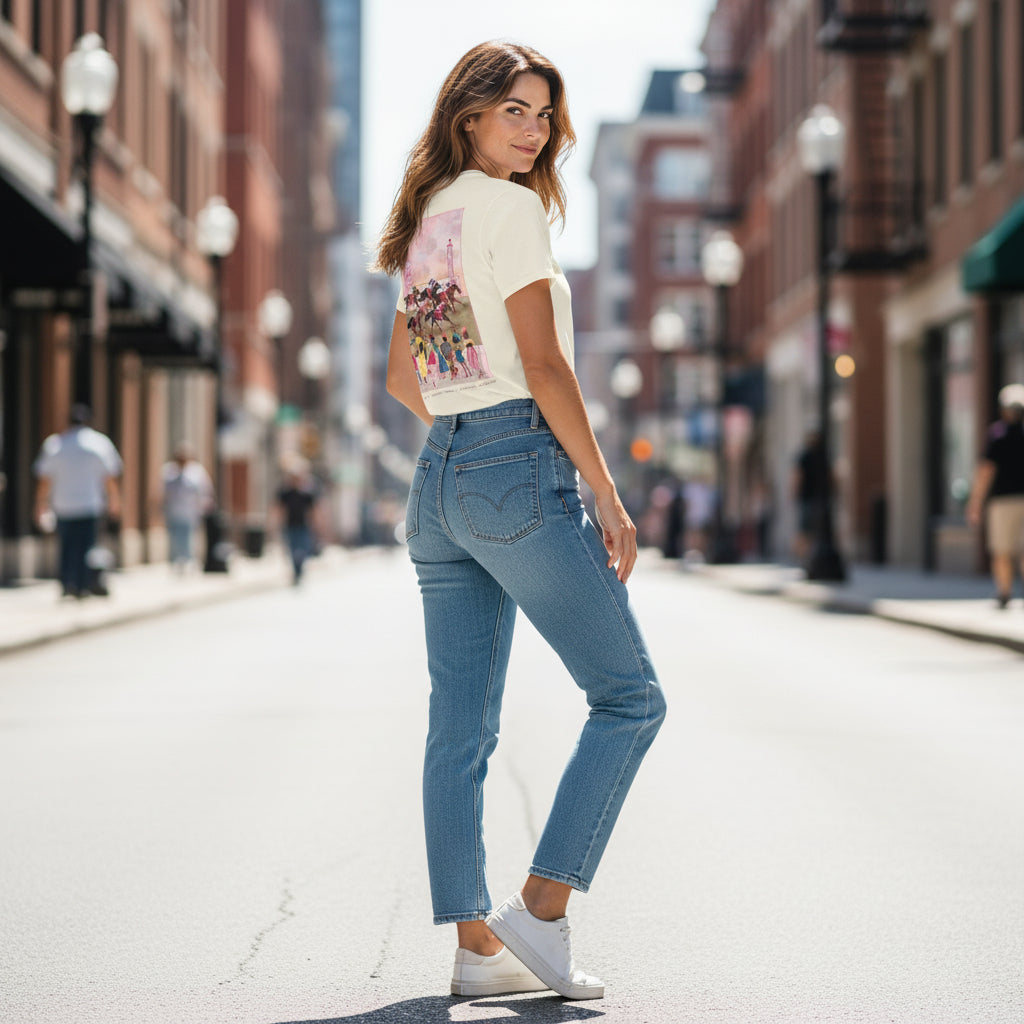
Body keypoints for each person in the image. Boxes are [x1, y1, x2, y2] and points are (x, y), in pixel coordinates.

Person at [374, 41, 666, 1002]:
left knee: (458, 728)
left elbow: (402, 380)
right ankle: (538, 912)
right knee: (629, 698)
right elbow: (545, 368)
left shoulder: (432, 219)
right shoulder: (510, 210)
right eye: (515, 111)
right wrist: (604, 492)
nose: (535, 130)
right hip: (513, 465)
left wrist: (468, 441)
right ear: (470, 117)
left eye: (544, 114)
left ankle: (475, 949)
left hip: (442, 479)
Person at [33, 404, 122, 598]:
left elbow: (45, 479)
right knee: (86, 547)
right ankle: (82, 585)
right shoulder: (99, 443)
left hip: (63, 505)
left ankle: (67, 584)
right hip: (90, 504)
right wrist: (114, 501)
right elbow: (109, 477)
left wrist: (40, 504)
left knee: (66, 547)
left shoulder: (55, 444)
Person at [966, 383, 1024, 608]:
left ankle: (1005, 591)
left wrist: (975, 503)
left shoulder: (997, 434)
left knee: (1002, 549)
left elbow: (985, 471)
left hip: (1003, 501)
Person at [161, 442, 214, 571]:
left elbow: (205, 490)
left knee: (189, 537)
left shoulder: (196, 472)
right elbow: (162, 491)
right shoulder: (169, 471)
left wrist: (204, 505)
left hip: (190, 511)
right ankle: (175, 561)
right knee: (174, 537)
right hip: (173, 510)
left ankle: (188, 561)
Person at [274, 459, 320, 585]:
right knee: (292, 550)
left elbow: (313, 511)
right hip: (290, 525)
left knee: (303, 549)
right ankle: (296, 571)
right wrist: (276, 524)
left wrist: (317, 526)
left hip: (304, 526)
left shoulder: (306, 494)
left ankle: (300, 569)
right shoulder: (285, 493)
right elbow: (279, 509)